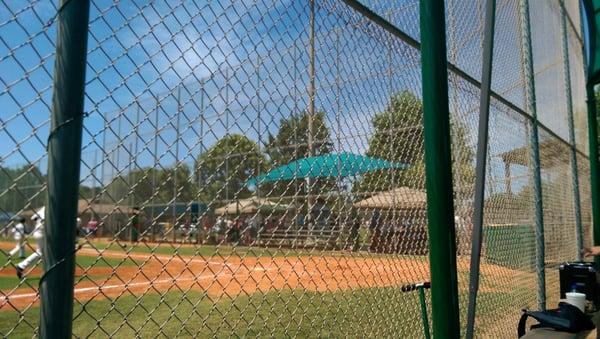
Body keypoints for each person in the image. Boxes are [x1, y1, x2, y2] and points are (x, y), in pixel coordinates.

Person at [16, 207, 45, 279]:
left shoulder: (44, 208)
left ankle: (45, 272)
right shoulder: (50, 209)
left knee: (43, 253)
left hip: (38, 232)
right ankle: (21, 265)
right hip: (42, 233)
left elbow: (33, 218)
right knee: (42, 253)